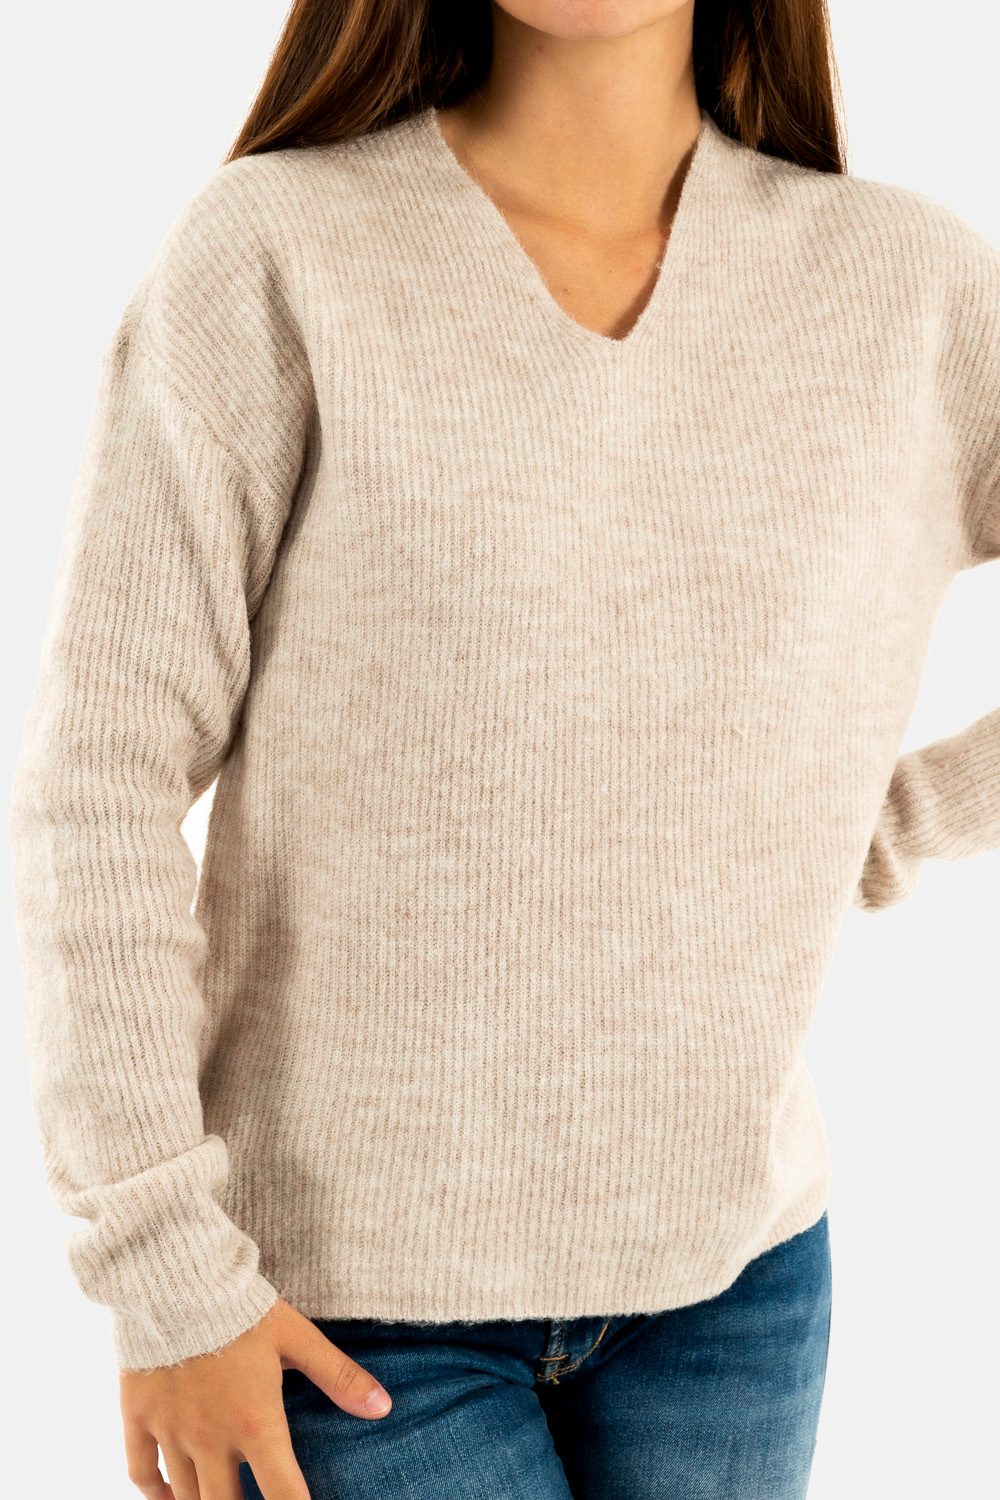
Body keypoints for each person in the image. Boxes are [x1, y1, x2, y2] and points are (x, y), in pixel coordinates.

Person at [9, 0, 999, 1495]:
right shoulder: (279, 252)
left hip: (736, 1288)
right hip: (331, 1314)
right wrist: (164, 1271)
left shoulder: (910, 289)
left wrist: (883, 824)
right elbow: (103, 786)